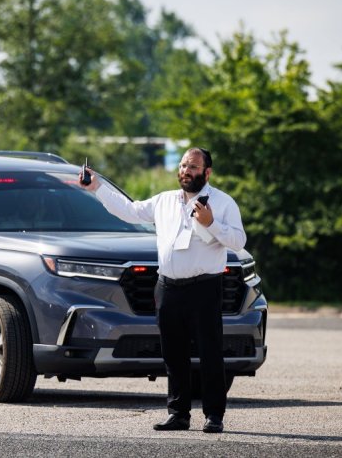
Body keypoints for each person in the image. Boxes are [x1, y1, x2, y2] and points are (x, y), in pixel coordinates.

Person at [79, 147, 245, 433]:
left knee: (210, 353)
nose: (185, 171)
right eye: (183, 166)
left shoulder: (223, 202)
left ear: (207, 172)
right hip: (167, 287)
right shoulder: (165, 201)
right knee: (173, 354)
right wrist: (97, 187)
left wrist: (211, 223)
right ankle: (178, 413)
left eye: (192, 167)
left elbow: (238, 241)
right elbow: (130, 211)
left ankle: (214, 415)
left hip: (204, 287)